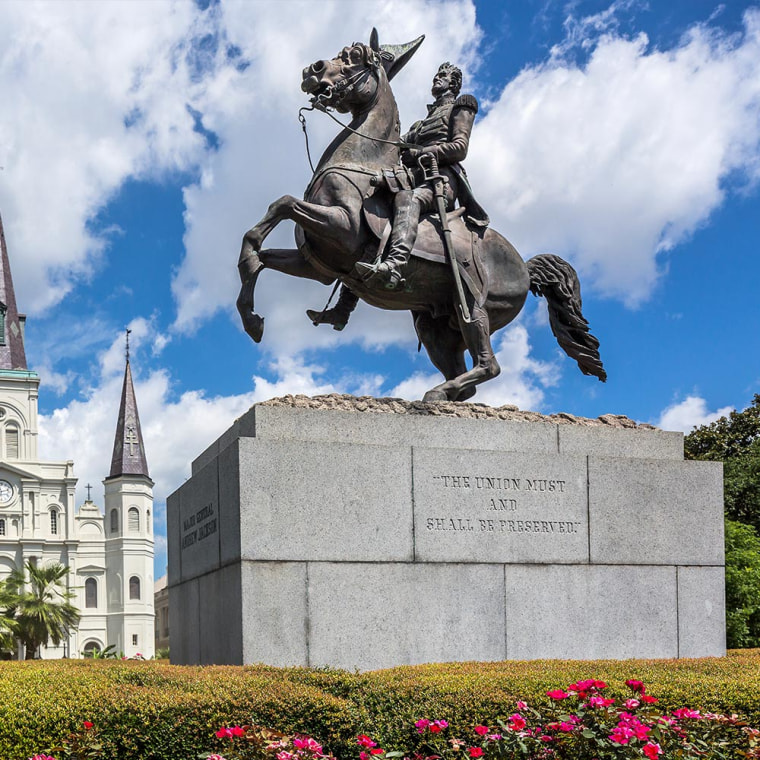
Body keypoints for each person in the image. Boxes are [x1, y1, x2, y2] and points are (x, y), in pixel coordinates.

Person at [306, 61, 486, 328]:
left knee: (409, 200)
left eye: (445, 75)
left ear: (455, 83)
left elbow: (460, 147)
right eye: (437, 74)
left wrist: (426, 152)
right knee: (369, 216)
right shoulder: (420, 122)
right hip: (413, 176)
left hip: (440, 180)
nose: (438, 78)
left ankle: (396, 264)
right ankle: (343, 308)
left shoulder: (462, 105)